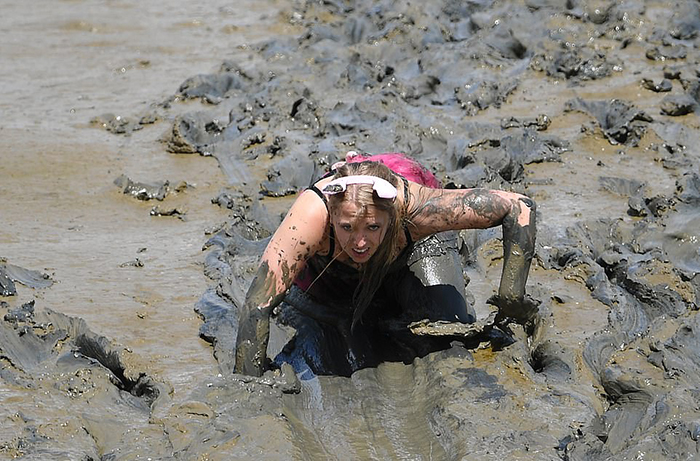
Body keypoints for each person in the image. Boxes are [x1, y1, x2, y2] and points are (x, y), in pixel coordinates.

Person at [234, 152, 536, 377]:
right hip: (333, 269)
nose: (361, 242)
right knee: (325, 314)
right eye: (348, 227)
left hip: (413, 249)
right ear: (332, 216)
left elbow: (520, 207)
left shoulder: (420, 209)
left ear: (392, 218)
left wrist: (512, 297)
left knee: (448, 326)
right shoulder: (312, 215)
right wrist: (248, 386)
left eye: (373, 228)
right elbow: (257, 304)